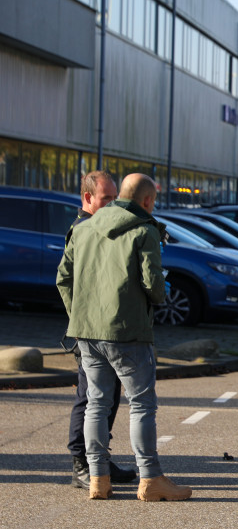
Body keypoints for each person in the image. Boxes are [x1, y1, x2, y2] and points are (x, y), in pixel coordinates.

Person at [56, 173, 193, 501]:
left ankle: (98, 479)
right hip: (127, 332)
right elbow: (155, 290)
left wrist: (79, 314)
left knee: (96, 403)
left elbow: (64, 277)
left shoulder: (83, 227)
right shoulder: (144, 231)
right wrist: (161, 284)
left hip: (86, 331)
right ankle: (151, 479)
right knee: (142, 404)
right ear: (147, 201)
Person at [65, 171, 138, 490]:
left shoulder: (105, 226)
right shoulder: (82, 230)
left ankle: (100, 460)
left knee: (107, 396)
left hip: (109, 327)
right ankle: (82, 463)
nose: (112, 204)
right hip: (90, 330)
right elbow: (65, 280)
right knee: (90, 397)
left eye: (114, 197)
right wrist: (79, 318)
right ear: (88, 198)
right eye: (105, 198)